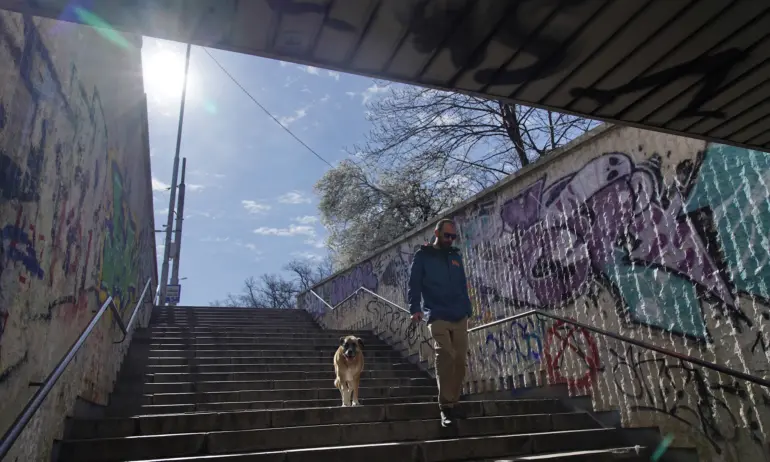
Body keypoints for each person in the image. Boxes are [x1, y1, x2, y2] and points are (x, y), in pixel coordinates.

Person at [408, 218, 472, 427]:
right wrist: (415, 309)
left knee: (460, 361)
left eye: (453, 236)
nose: (450, 240)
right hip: (436, 314)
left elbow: (462, 284)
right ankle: (445, 407)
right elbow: (414, 283)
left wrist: (467, 308)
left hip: (459, 314)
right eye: (447, 235)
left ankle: (454, 402)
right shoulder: (423, 255)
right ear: (437, 233)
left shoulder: (455, 256)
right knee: (445, 355)